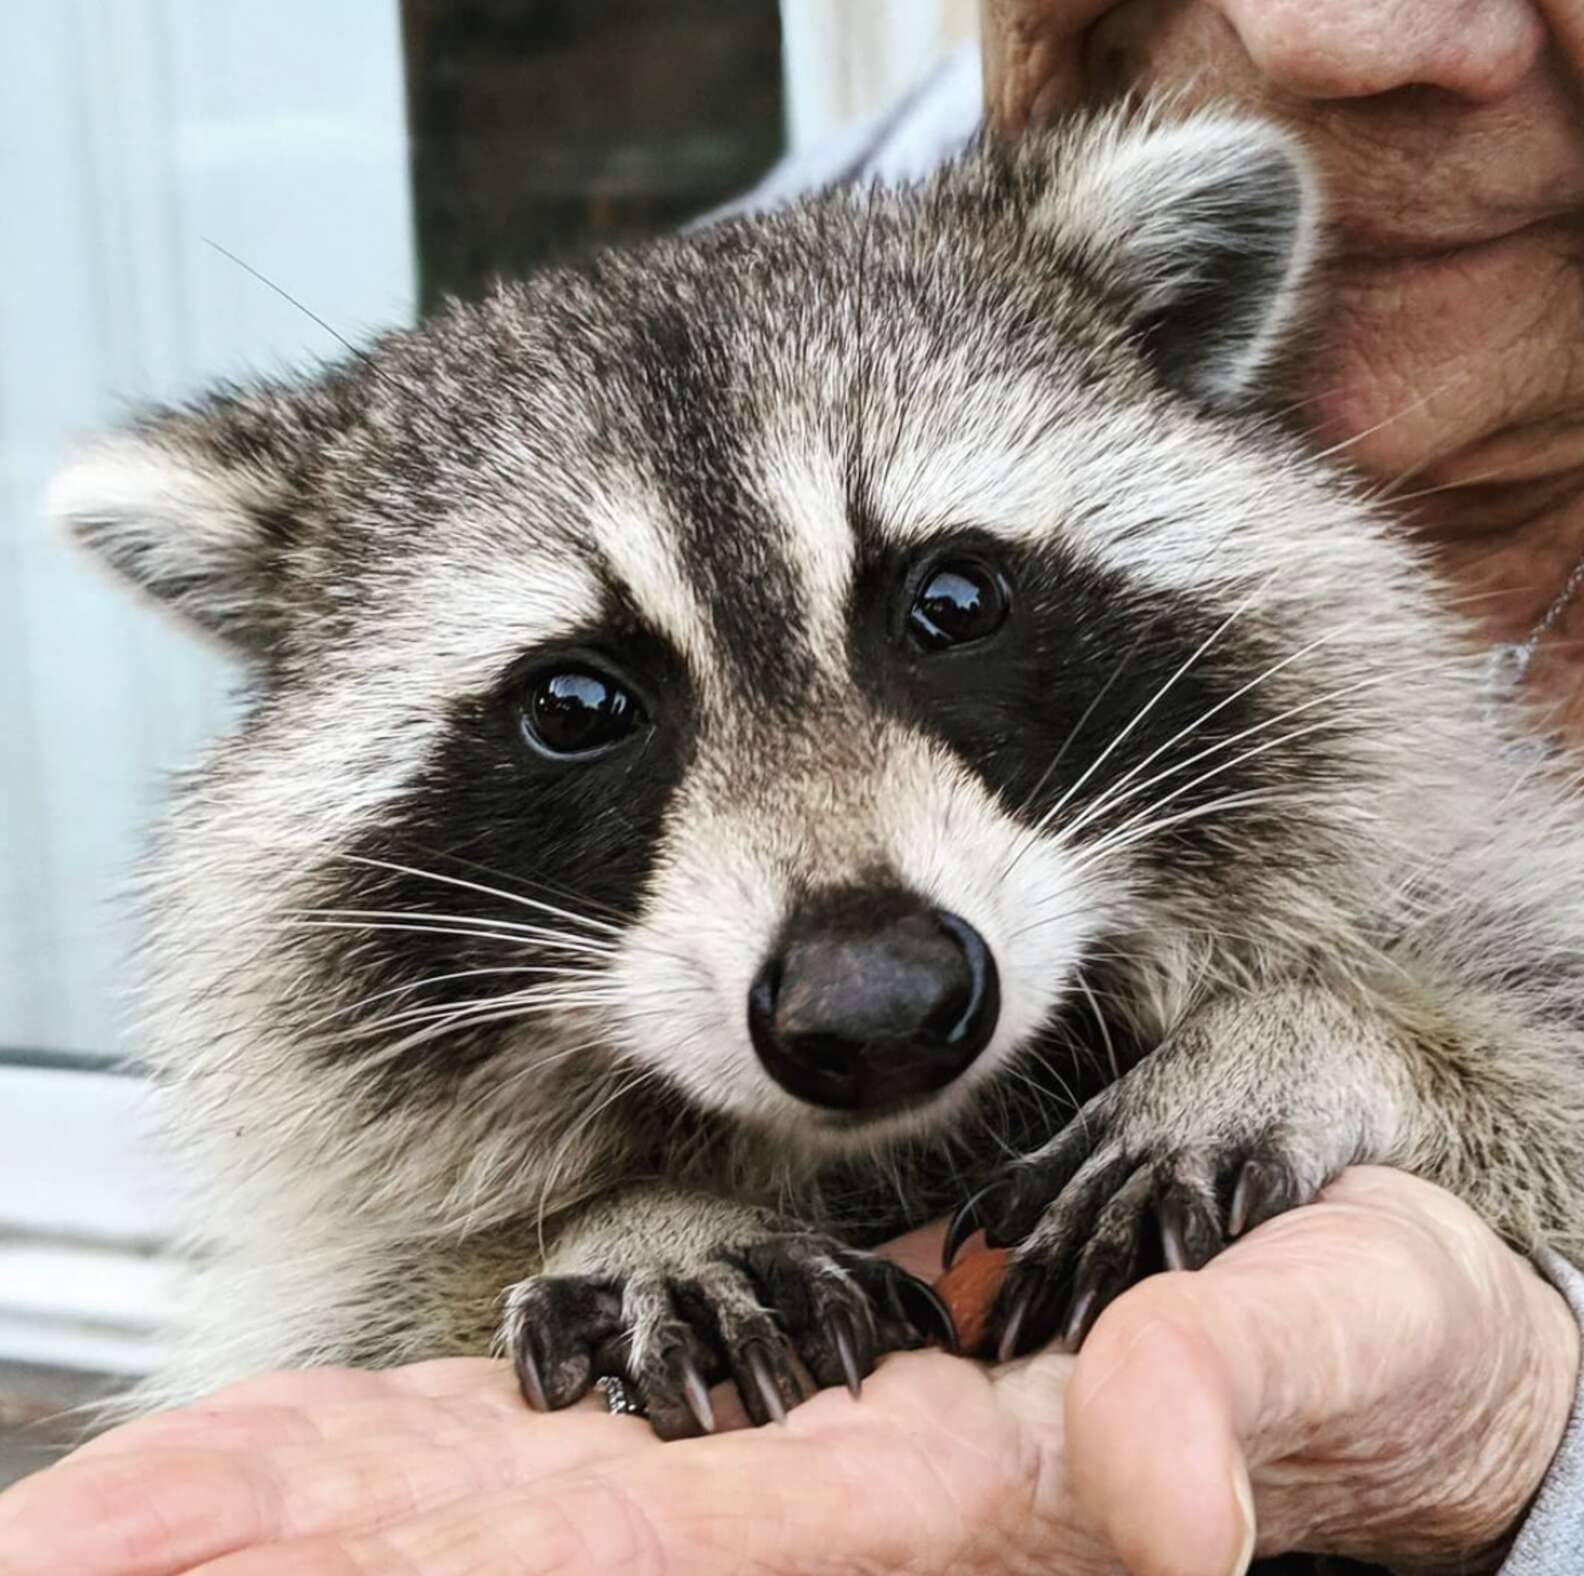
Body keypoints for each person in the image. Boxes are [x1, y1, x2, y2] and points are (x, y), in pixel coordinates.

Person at [3, 2, 1581, 1571]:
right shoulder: (728, 314)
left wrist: (1486, 1349)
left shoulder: (967, 289)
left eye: (947, 614)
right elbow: (366, 1325)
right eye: (580, 708)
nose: (1342, 35)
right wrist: (596, 1260)